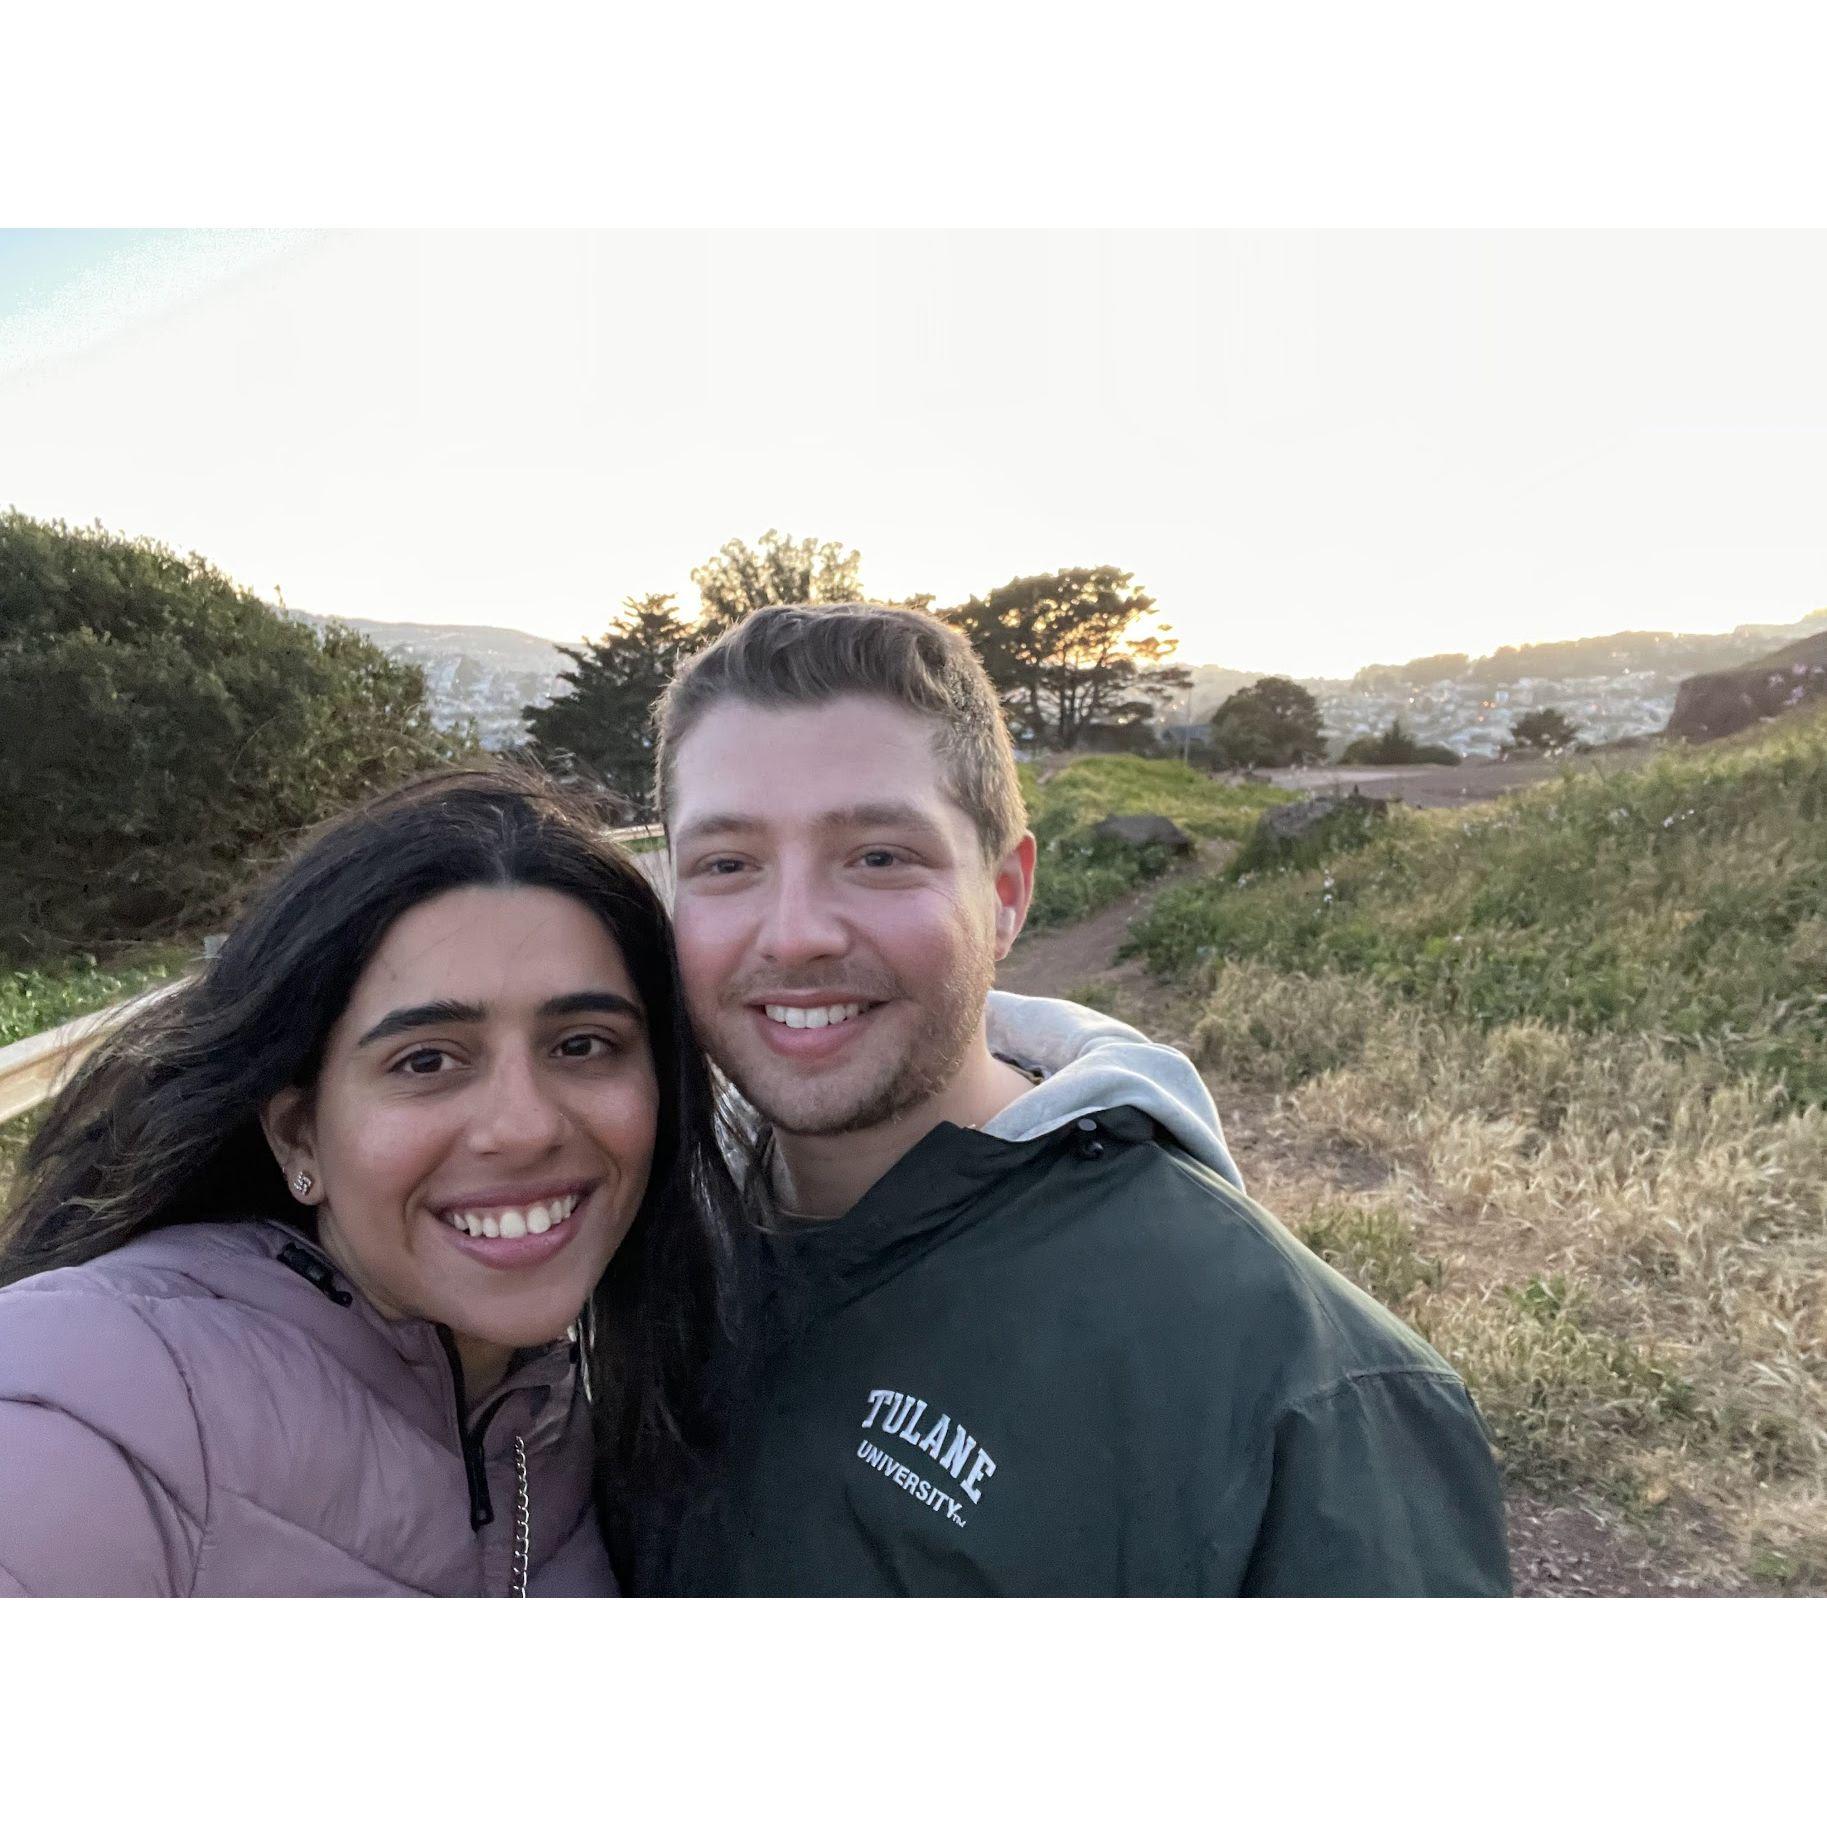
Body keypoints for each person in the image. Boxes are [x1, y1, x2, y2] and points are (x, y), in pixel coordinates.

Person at [647, 603, 1513, 1596]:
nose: (795, 933)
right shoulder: (635, 1253)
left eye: (879, 855)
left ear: (1007, 894)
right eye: (727, 865)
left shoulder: (1294, 1392)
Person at [0, 768, 744, 1597]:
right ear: (296, 1132)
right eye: (426, 1060)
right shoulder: (103, 1400)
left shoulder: (561, 1409)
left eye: (581, 1044)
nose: (526, 1126)